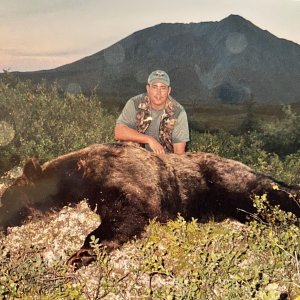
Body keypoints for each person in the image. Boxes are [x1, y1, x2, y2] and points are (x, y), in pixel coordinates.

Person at [114, 70, 189, 155]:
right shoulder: (135, 103)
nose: (158, 93)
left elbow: (179, 153)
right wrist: (149, 140)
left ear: (169, 91)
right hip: (137, 158)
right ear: (148, 89)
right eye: (154, 87)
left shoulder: (178, 112)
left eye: (163, 88)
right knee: (127, 143)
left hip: (163, 160)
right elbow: (119, 132)